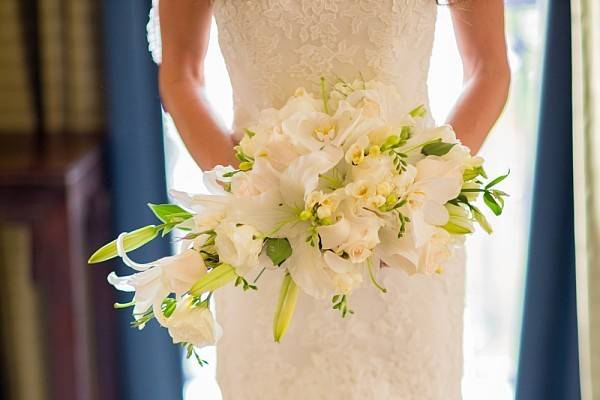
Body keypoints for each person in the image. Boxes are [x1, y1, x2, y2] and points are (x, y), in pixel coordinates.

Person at [150, 1, 510, 398]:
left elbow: (488, 69)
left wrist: (418, 193)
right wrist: (260, 200)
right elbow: (182, 76)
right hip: (266, 246)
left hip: (403, 244)